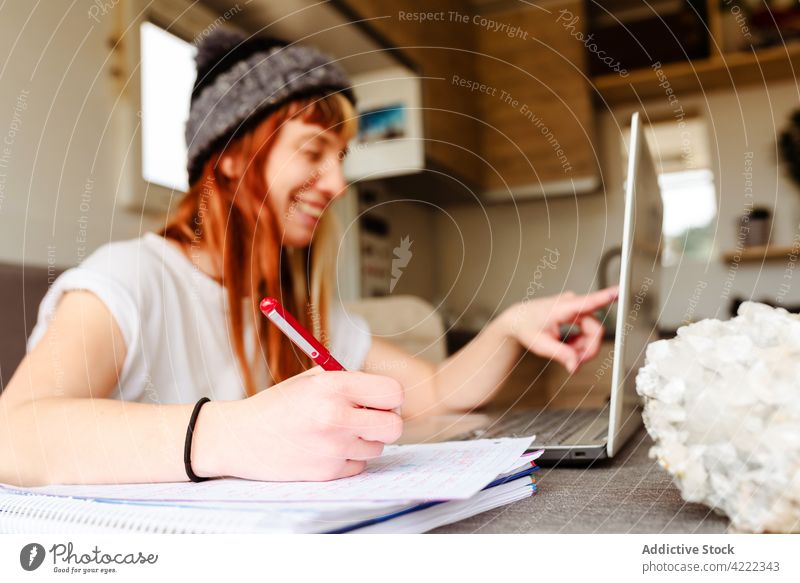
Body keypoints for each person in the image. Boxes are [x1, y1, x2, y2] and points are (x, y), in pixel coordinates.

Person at [0, 29, 618, 487]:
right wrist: (233, 433)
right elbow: (12, 439)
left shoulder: (294, 312)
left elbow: (432, 394)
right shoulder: (128, 280)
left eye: (341, 158)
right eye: (314, 151)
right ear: (233, 155)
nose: (337, 183)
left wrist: (512, 326)